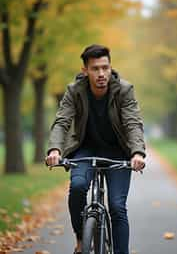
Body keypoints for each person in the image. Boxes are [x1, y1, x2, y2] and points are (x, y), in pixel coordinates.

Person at [45, 44, 146, 254]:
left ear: (110, 67)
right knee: (79, 187)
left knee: (117, 208)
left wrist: (137, 152)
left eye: (105, 67)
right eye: (95, 68)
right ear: (85, 71)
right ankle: (82, 239)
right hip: (86, 150)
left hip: (117, 151)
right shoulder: (74, 91)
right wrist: (55, 149)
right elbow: (62, 122)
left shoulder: (124, 90)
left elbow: (132, 123)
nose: (101, 73)